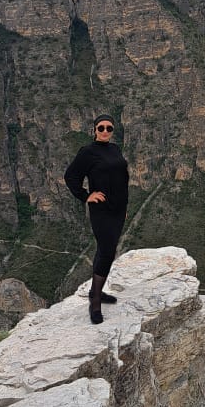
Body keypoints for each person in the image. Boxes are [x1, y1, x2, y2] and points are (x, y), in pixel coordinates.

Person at [64, 114, 129, 324]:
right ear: (94, 130)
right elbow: (71, 176)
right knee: (106, 250)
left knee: (108, 252)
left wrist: (124, 205)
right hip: (101, 210)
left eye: (109, 128)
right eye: (101, 128)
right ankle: (95, 301)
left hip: (118, 209)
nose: (105, 131)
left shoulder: (115, 149)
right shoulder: (87, 152)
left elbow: (121, 178)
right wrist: (86, 195)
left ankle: (97, 290)